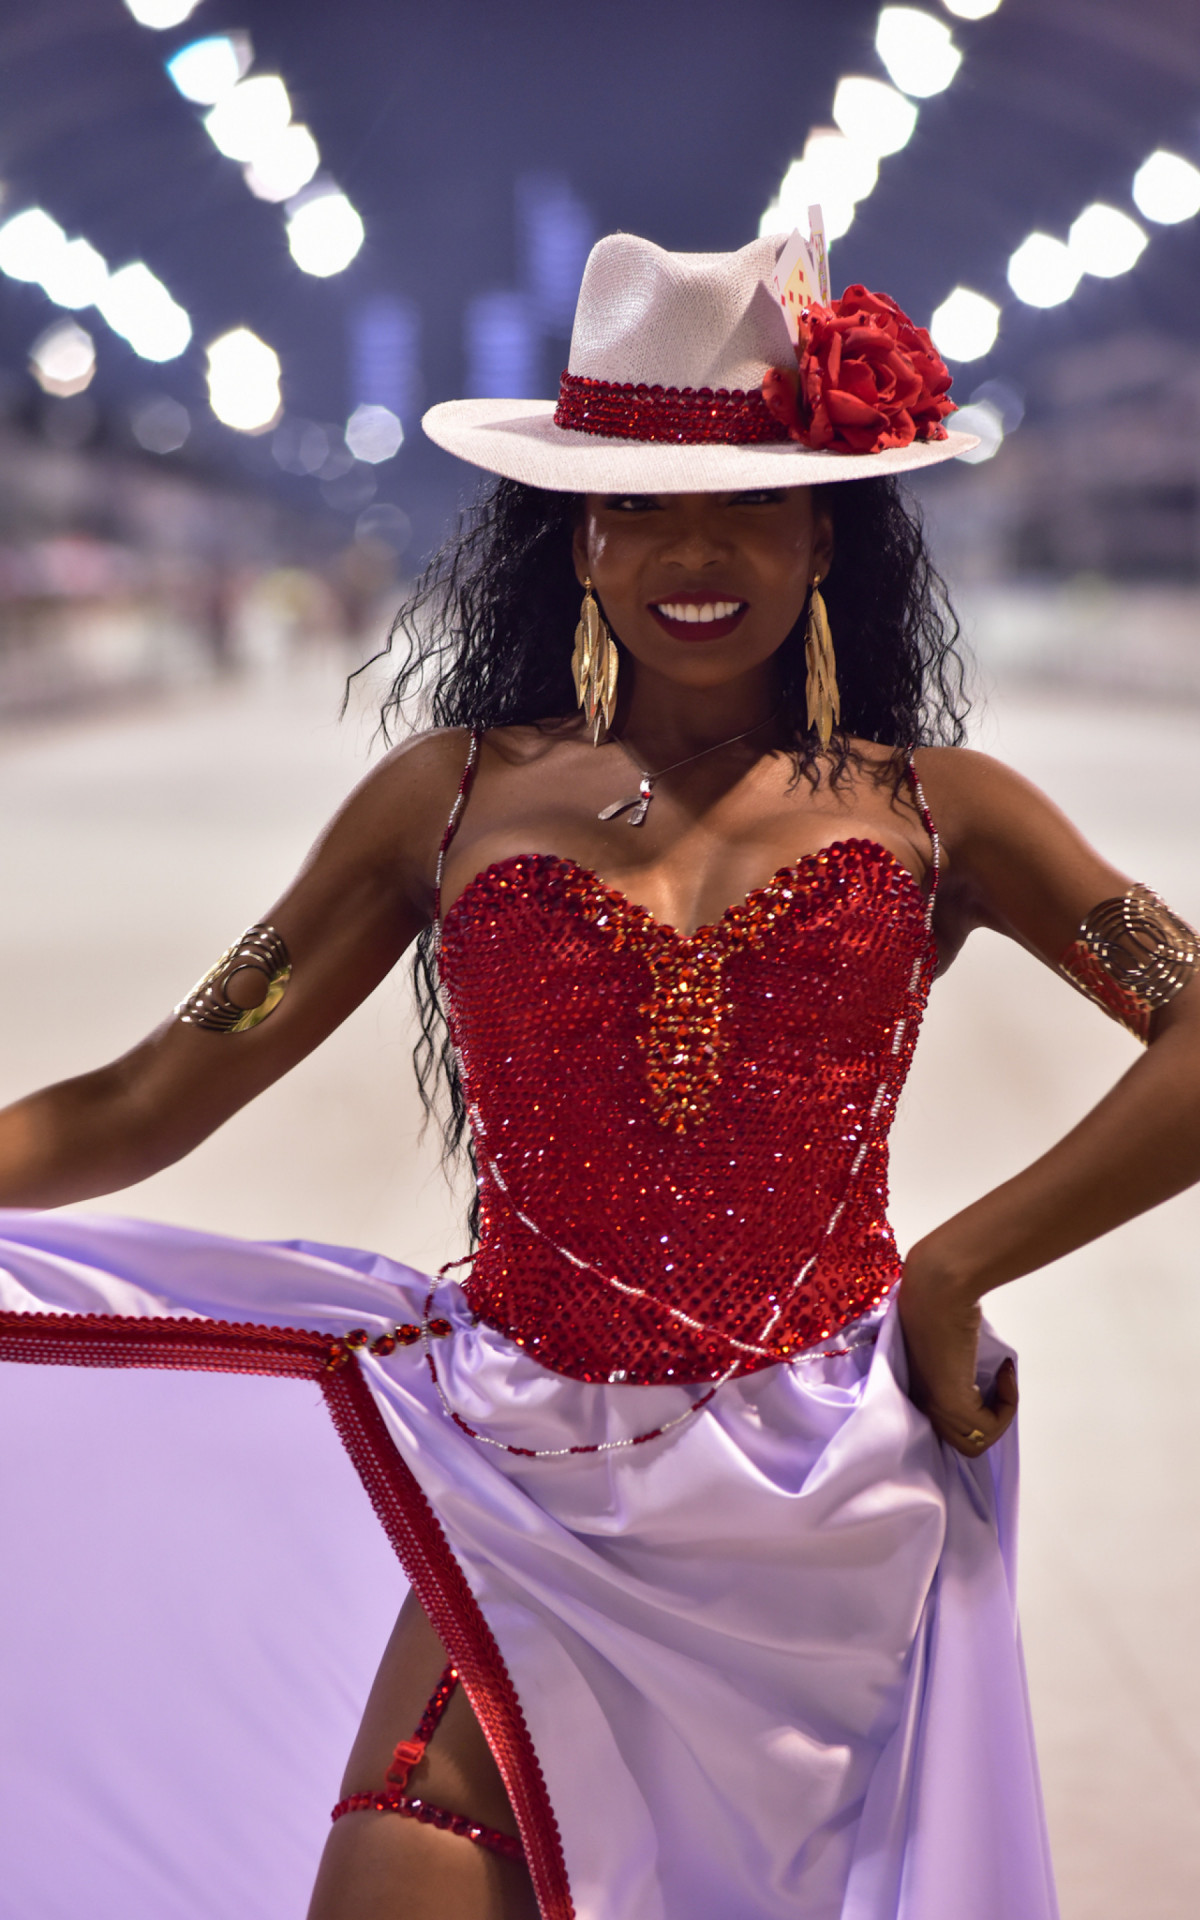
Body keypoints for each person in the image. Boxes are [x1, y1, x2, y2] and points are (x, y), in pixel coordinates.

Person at [2, 230, 1198, 1920]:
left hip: (828, 1519)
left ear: (825, 528)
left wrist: (960, 1263)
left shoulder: (947, 812)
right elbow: (143, 1099)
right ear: (578, 535)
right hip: (521, 1483)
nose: (689, 552)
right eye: (635, 503)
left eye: (746, 504)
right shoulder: (443, 801)